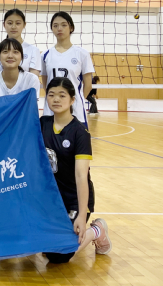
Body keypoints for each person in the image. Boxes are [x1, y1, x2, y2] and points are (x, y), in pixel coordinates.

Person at [40, 77, 111, 263]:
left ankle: (97, 230)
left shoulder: (79, 133)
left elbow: (81, 176)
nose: (56, 99)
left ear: (72, 100)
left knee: (58, 256)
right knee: (41, 245)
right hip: (51, 199)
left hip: (73, 199)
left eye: (62, 95)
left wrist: (81, 214)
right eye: (51, 95)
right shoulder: (42, 124)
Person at [41, 12, 95, 125]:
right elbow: (46, 85)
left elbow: (88, 85)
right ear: (52, 29)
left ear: (71, 27)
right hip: (51, 111)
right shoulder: (45, 55)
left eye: (64, 25)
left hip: (76, 111)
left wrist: (73, 101)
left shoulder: (82, 54)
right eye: (55, 25)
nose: (59, 28)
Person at [0, 9, 41, 76]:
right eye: (10, 23)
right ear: (4, 25)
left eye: (18, 23)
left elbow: (33, 78)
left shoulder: (33, 50)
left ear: (24, 25)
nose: (13, 27)